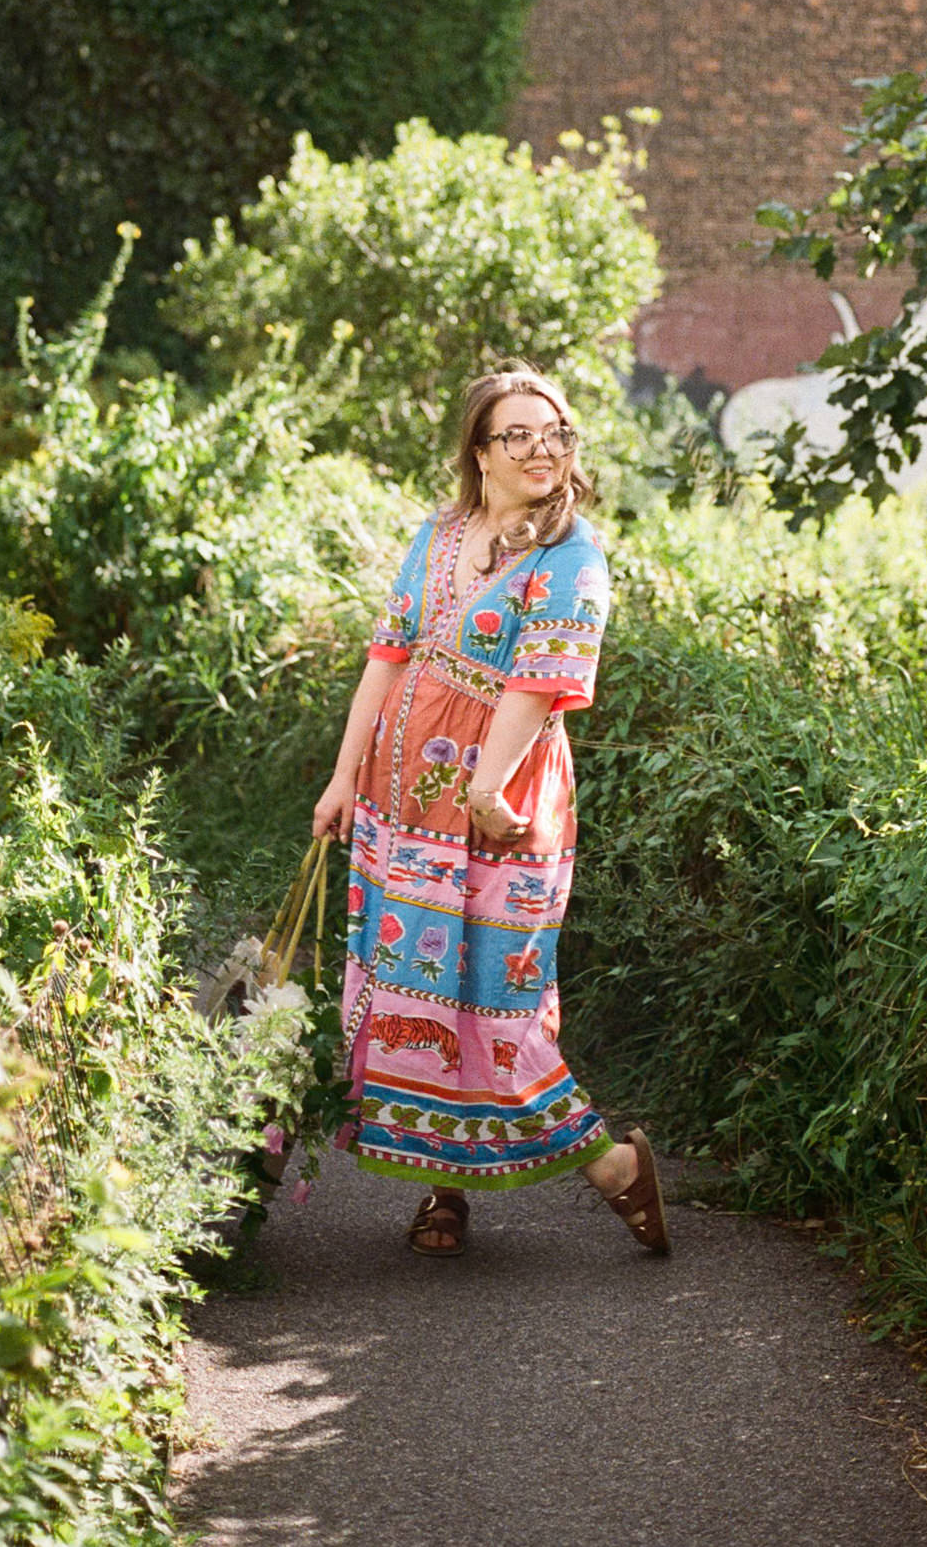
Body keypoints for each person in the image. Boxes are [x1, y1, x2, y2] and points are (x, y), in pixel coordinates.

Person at [311, 366, 670, 1258]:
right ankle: (445, 1193)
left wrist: (483, 786)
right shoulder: (437, 537)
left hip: (501, 805)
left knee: (495, 1004)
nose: (542, 448)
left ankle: (615, 1169)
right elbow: (387, 661)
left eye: (555, 433)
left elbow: (539, 685)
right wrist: (341, 776)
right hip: (400, 802)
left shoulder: (572, 557)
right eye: (518, 434)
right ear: (480, 452)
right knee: (418, 995)